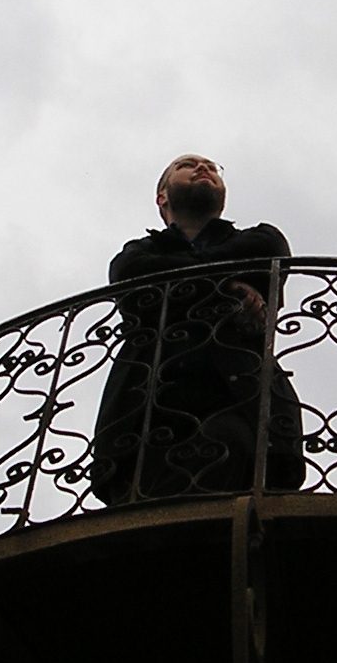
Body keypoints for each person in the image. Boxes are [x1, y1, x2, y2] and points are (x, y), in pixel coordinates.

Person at [91, 154, 305, 504]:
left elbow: (269, 254)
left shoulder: (261, 238)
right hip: (146, 408)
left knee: (230, 445)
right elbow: (130, 278)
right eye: (186, 165)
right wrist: (230, 287)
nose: (204, 168)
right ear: (162, 197)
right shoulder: (138, 253)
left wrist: (180, 283)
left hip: (242, 399)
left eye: (212, 167)